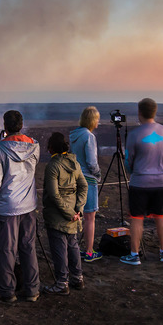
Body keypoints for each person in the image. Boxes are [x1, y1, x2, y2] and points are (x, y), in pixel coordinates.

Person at [0, 110, 41, 303]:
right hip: (28, 206)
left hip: (6, 208)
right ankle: (32, 289)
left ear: (5, 126)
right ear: (21, 125)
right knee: (28, 247)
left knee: (6, 250)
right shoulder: (34, 146)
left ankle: (7, 291)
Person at [122, 98, 163, 265]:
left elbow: (128, 159)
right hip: (161, 181)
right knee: (161, 216)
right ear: (154, 112)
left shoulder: (135, 134)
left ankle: (134, 255)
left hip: (140, 182)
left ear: (140, 112)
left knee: (136, 218)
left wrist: (133, 171)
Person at [42, 132, 87, 295]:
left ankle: (62, 283)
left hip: (57, 216)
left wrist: (70, 213)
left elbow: (54, 194)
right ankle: (77, 278)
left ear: (51, 147)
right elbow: (84, 186)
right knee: (73, 244)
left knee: (59, 248)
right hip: (73, 213)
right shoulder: (75, 163)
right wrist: (78, 210)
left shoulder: (53, 166)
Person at [69, 106, 102, 262]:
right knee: (89, 217)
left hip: (74, 178)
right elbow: (91, 162)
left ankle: (73, 250)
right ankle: (89, 252)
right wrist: (98, 174)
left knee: (76, 215)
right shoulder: (89, 136)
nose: (98, 122)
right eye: (97, 119)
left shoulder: (74, 135)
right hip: (88, 179)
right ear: (92, 120)